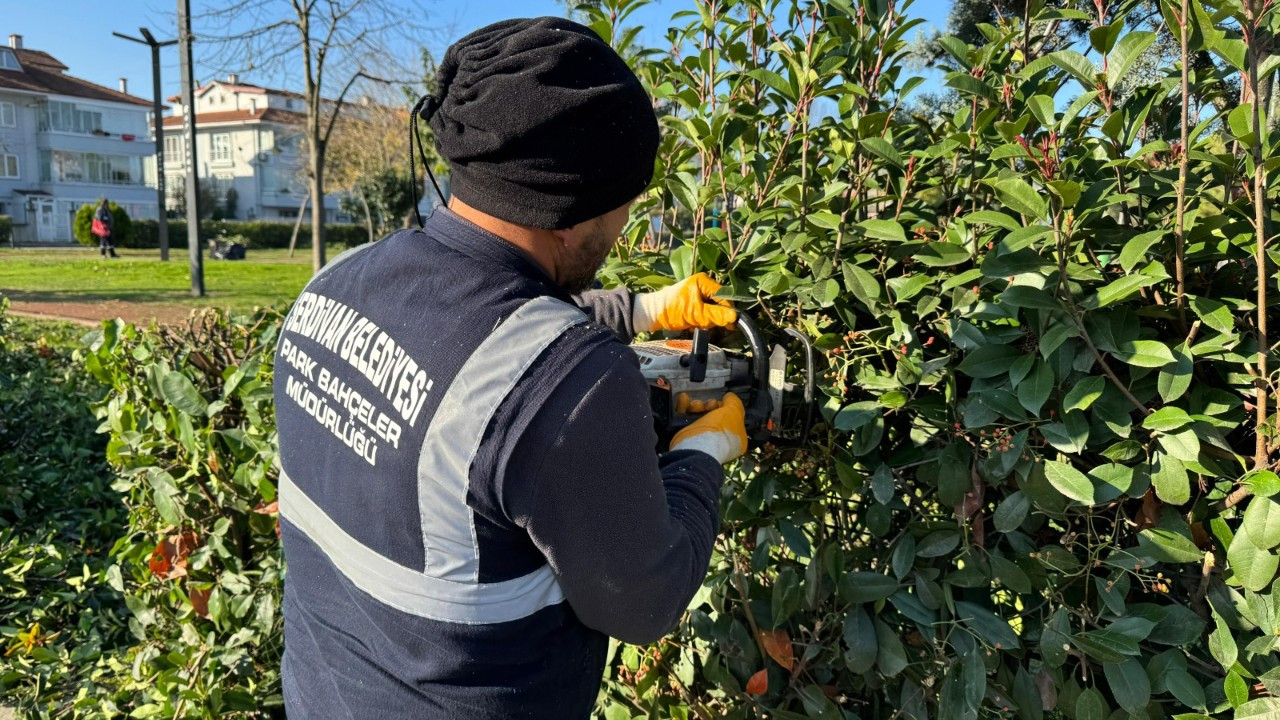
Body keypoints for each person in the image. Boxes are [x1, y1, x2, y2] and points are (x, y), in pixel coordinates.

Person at [272, 17, 748, 720]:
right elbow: (644, 601)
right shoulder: (575, 382)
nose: (622, 226)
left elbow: (473, 327)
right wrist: (703, 454)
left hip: (323, 694)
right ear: (568, 211)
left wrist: (645, 309)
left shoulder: (334, 286)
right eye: (624, 204)